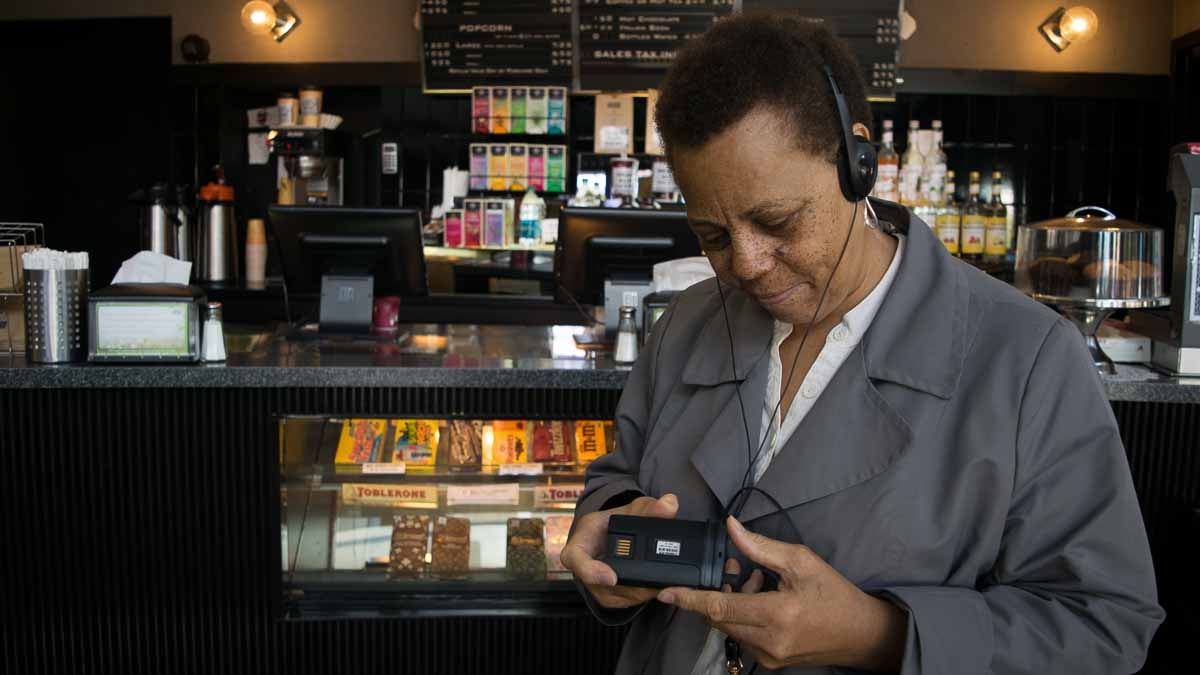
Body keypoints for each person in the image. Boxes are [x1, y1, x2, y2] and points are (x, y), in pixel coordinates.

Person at [560, 13, 1163, 675]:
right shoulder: (686, 323)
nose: (749, 264)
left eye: (777, 220)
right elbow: (619, 477)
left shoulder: (1029, 361)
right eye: (713, 236)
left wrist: (880, 634)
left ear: (858, 160)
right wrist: (609, 525)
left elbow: (1103, 624)